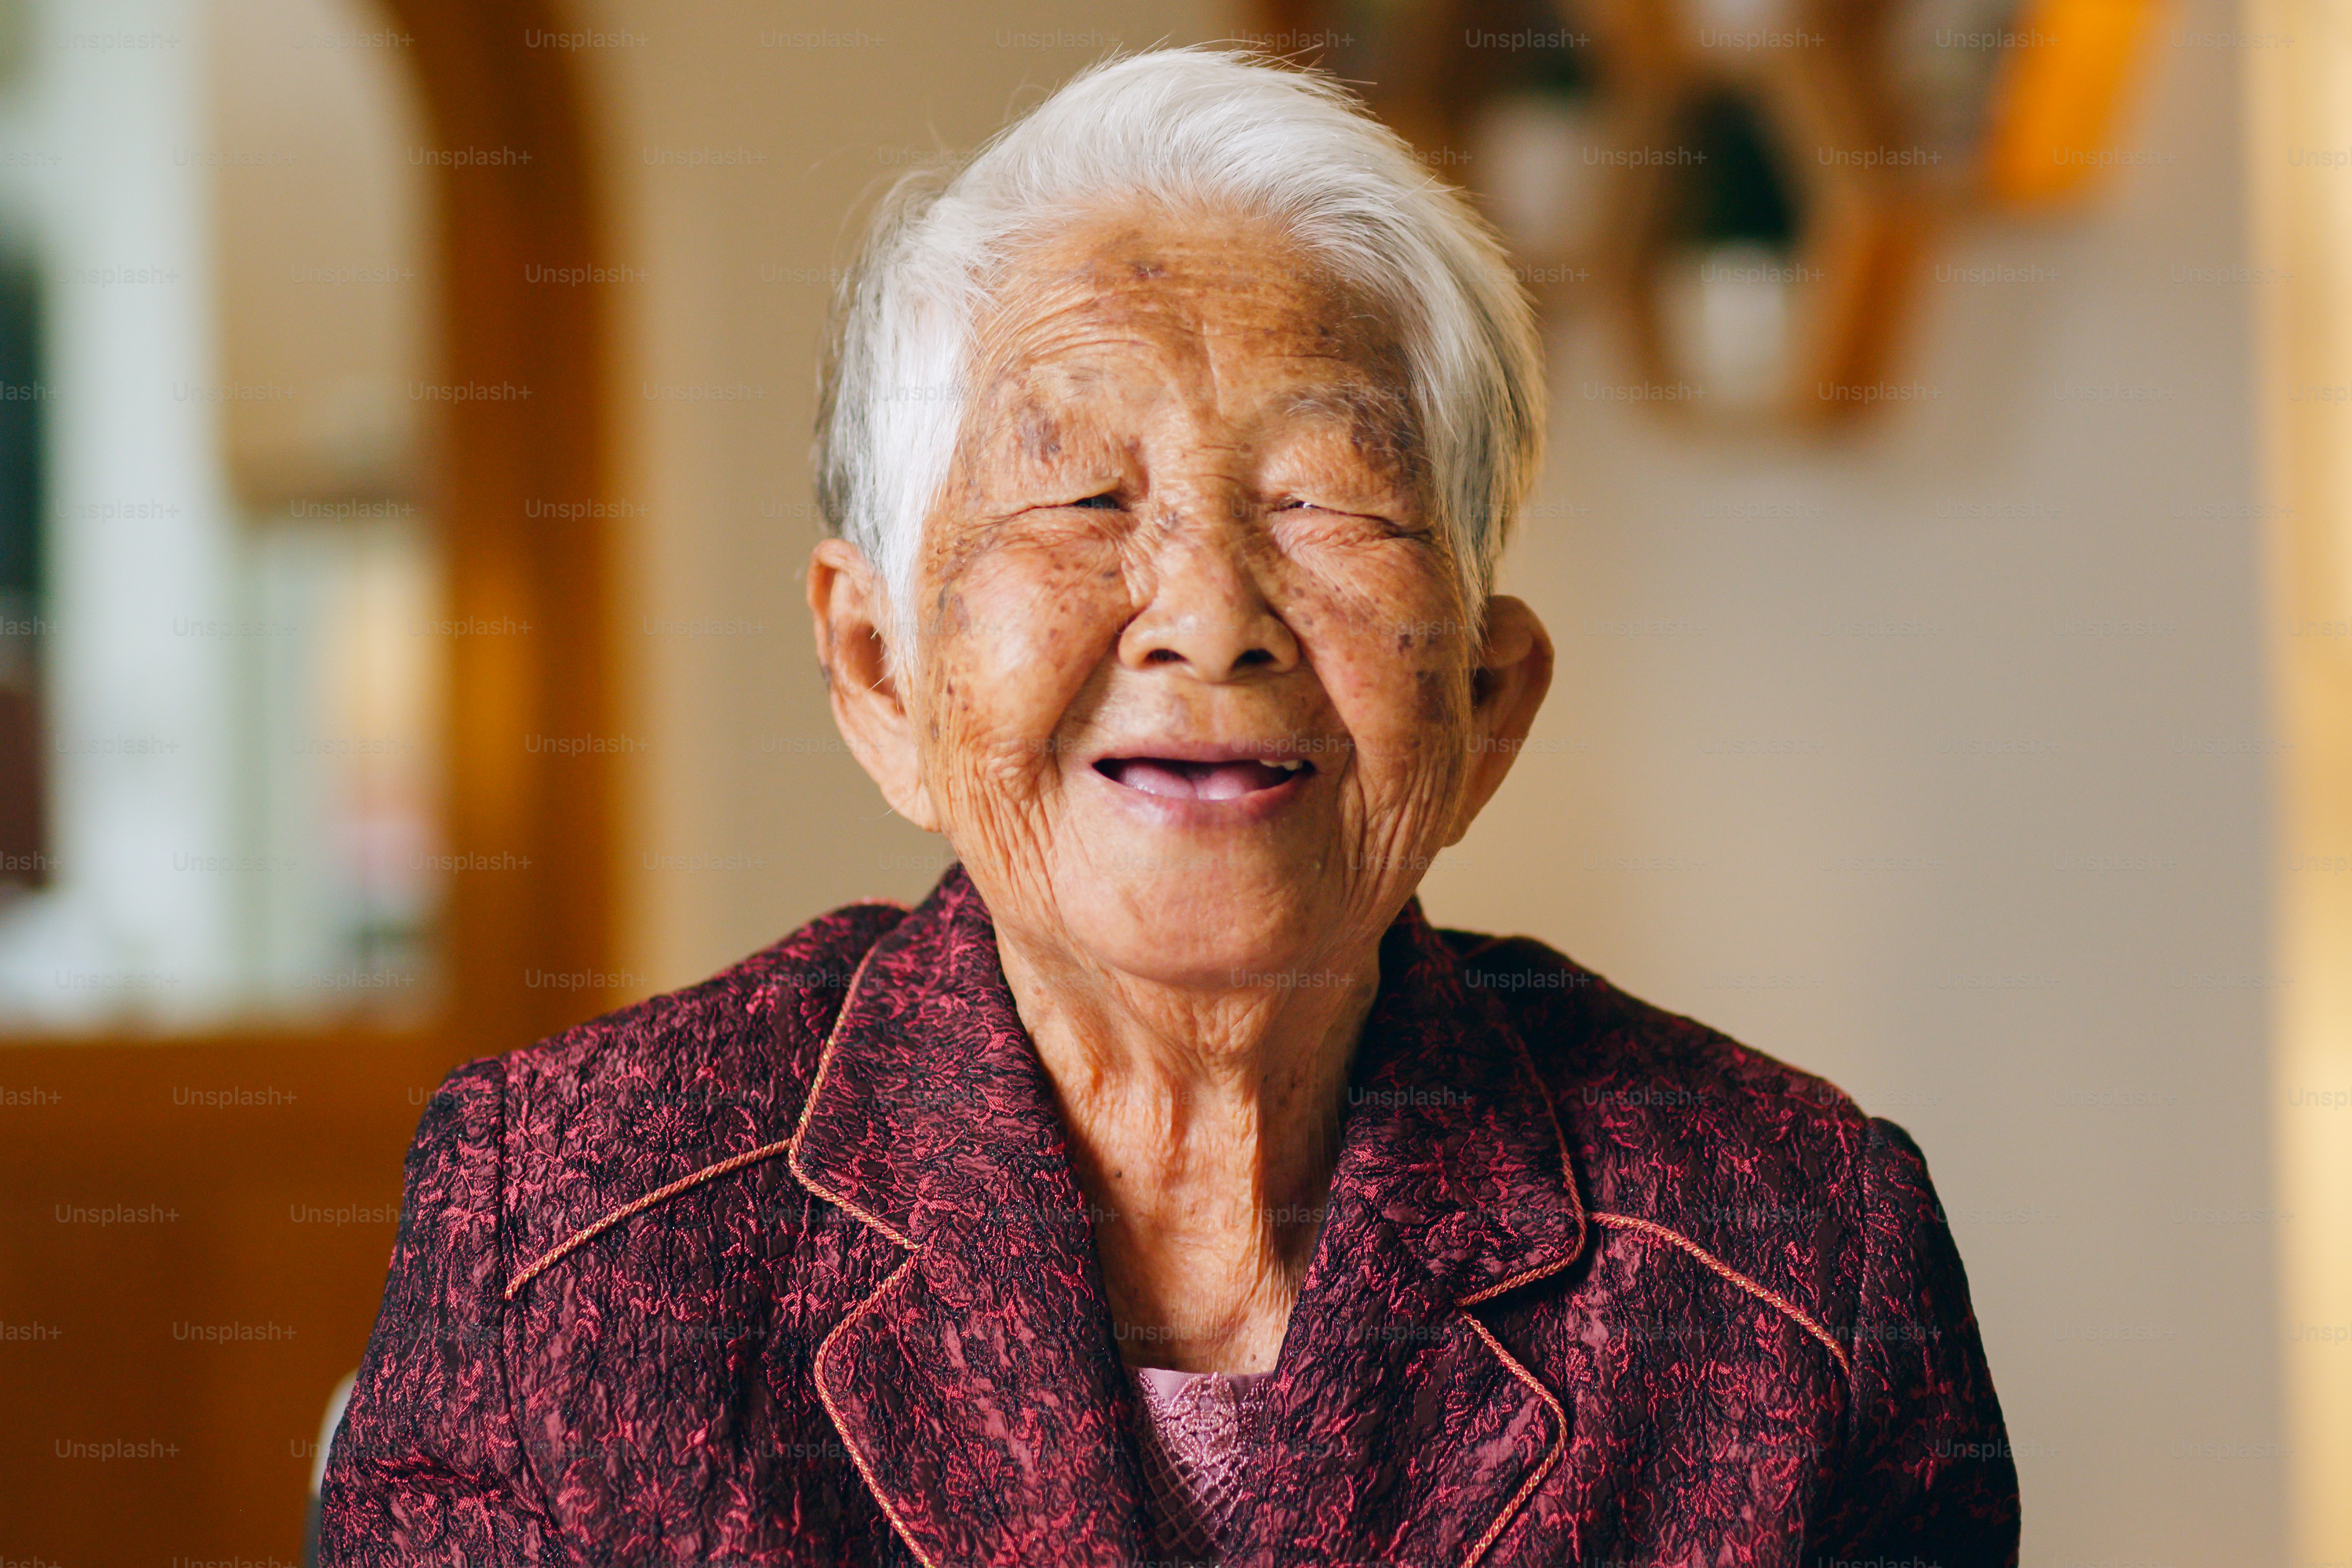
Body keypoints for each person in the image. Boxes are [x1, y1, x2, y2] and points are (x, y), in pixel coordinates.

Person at [320, 48, 2018, 1567]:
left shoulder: (1798, 1262)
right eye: (1080, 491)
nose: (1209, 614)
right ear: (879, 672)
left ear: (1487, 704)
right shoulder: (561, 1237)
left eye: (1327, 500)